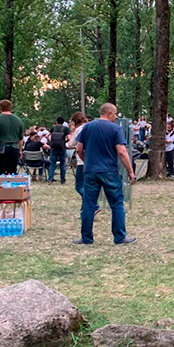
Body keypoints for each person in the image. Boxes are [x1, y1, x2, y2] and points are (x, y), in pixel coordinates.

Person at [74, 103, 136, 245]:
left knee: (89, 205)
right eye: (115, 114)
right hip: (109, 171)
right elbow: (121, 152)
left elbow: (78, 149)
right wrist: (130, 171)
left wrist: (86, 162)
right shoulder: (115, 128)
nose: (116, 117)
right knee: (117, 204)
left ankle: (86, 238)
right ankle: (120, 237)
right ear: (109, 113)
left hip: (91, 171)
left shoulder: (87, 127)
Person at [0, 100, 24, 185]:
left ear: (0, 107)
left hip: (2, 149)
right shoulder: (18, 120)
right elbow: (20, 139)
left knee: (0, 173)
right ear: (11, 107)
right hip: (14, 149)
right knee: (12, 173)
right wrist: (20, 150)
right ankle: (10, 190)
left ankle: (1, 190)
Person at [48, 116, 71, 185]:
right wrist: (65, 141)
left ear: (56, 121)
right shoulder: (65, 129)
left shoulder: (53, 128)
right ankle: (62, 180)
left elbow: (47, 135)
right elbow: (69, 138)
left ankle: (50, 179)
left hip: (54, 148)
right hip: (62, 148)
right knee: (62, 164)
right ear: (63, 122)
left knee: (52, 164)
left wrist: (51, 142)